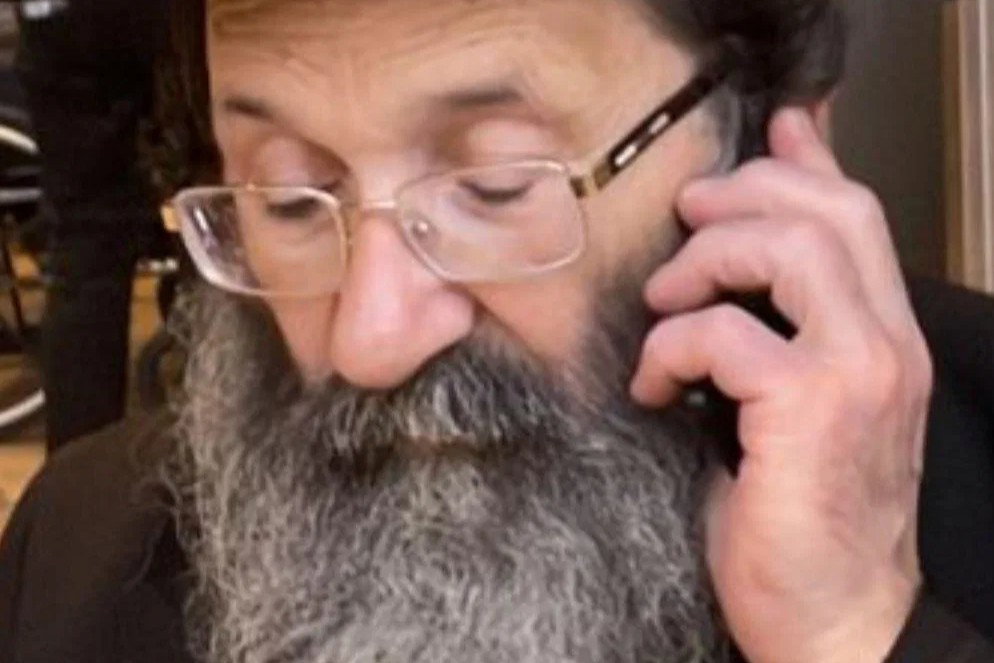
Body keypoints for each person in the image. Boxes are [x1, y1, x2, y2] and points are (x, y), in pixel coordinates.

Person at [2, 0, 994, 661]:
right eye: (291, 196)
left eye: (495, 184)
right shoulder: (74, 570)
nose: (370, 338)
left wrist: (859, 635)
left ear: (772, 138)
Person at [14, 0, 171, 451]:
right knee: (204, 209)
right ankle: (215, 444)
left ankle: (75, 465)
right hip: (161, 22)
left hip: (59, 18)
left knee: (85, 253)